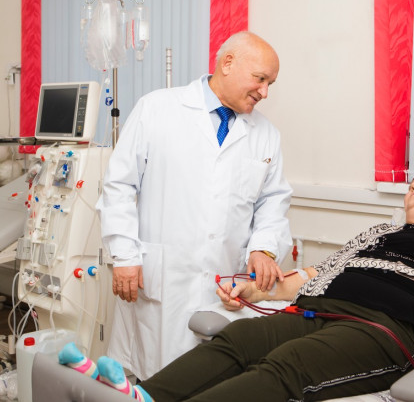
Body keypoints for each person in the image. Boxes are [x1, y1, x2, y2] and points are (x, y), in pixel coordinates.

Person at [71, 167, 414, 401]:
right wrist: (255, 291)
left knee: (284, 367)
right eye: (412, 183)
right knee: (236, 340)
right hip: (317, 310)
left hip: (385, 327)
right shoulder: (380, 232)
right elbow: (313, 276)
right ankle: (139, 397)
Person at [95, 31, 293, 380]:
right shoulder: (157, 108)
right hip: (162, 281)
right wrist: (124, 256)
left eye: (270, 84)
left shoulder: (266, 134)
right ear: (227, 63)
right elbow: (119, 185)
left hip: (224, 283)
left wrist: (263, 249)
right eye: (260, 79)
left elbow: (272, 202)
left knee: (212, 380)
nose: (265, 92)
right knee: (156, 379)